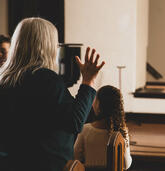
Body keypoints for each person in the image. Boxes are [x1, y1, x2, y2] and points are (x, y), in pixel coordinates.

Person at [0, 17, 105, 171]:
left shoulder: (4, 78)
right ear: (47, 45)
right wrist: (88, 81)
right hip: (46, 164)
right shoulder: (45, 78)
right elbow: (75, 122)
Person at [74, 85, 132, 170]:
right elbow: (126, 164)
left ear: (98, 105)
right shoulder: (121, 132)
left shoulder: (85, 130)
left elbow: (76, 159)